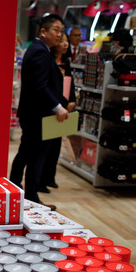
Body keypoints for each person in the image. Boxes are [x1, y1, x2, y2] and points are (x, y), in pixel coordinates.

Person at [9, 14, 69, 210]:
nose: (59, 35)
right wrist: (58, 107)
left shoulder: (38, 49)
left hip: (33, 114)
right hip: (38, 115)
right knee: (35, 156)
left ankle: (15, 190)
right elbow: (40, 86)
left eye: (61, 31)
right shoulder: (40, 52)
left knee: (25, 153)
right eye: (56, 30)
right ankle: (31, 197)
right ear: (43, 31)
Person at [41, 33, 77, 192]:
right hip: (50, 105)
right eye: (62, 41)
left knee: (56, 144)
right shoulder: (48, 59)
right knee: (46, 145)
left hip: (63, 106)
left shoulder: (66, 62)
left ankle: (50, 177)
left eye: (66, 41)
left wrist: (72, 100)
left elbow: (71, 83)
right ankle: (41, 179)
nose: (65, 44)